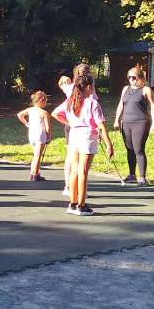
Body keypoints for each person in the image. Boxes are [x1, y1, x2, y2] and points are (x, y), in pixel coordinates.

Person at [53, 73, 113, 216]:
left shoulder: (71, 101)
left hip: (74, 134)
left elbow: (55, 113)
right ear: (89, 87)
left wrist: (72, 124)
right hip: (87, 136)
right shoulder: (93, 103)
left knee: (74, 170)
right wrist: (109, 144)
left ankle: (73, 203)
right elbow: (101, 125)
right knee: (83, 171)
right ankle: (81, 204)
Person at [113, 65, 154, 186]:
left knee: (138, 149)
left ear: (140, 78)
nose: (131, 80)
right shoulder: (126, 89)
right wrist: (117, 120)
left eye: (134, 77)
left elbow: (153, 106)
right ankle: (132, 175)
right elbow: (121, 104)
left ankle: (142, 177)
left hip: (140, 122)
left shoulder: (146, 90)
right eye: (129, 77)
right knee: (130, 149)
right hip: (126, 121)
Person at [17, 91, 51, 181]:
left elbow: (20, 115)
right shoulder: (44, 112)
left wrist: (26, 123)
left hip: (32, 132)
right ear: (42, 101)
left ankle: (32, 172)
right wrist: (48, 137)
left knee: (35, 155)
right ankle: (35, 174)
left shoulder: (30, 110)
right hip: (40, 133)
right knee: (38, 156)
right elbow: (48, 127)